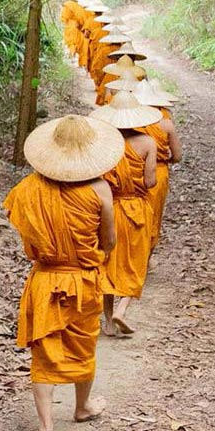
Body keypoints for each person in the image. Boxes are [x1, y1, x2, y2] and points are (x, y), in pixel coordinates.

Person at [4, 115, 124, 431]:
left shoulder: (28, 189)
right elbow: (109, 241)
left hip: (45, 280)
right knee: (83, 344)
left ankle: (46, 429)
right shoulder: (100, 189)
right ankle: (82, 406)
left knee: (44, 353)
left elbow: (27, 235)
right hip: (83, 280)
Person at [90, 91, 164, 336]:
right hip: (136, 209)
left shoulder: (106, 143)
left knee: (109, 263)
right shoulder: (147, 143)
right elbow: (150, 181)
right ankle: (123, 308)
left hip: (110, 208)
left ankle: (109, 323)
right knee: (135, 262)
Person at [131, 80, 183, 229]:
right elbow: (177, 155)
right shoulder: (166, 123)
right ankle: (149, 244)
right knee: (153, 216)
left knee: (134, 216)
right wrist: (164, 161)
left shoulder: (128, 123)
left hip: (131, 174)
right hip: (158, 172)